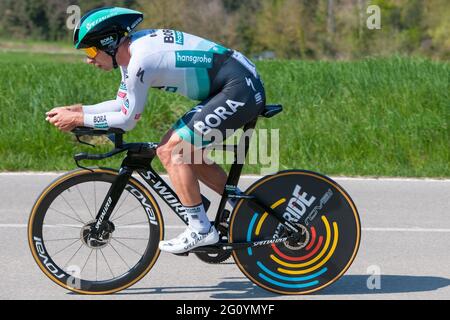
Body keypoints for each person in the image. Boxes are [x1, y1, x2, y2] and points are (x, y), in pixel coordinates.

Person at [46, 7, 266, 254]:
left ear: (108, 43)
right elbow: (122, 104)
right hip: (234, 83)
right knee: (187, 153)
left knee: (171, 151)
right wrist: (79, 110)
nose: (89, 59)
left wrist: (77, 118)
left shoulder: (141, 60)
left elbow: (128, 120)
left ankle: (201, 229)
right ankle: (245, 212)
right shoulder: (130, 55)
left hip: (238, 88)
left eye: (90, 50)